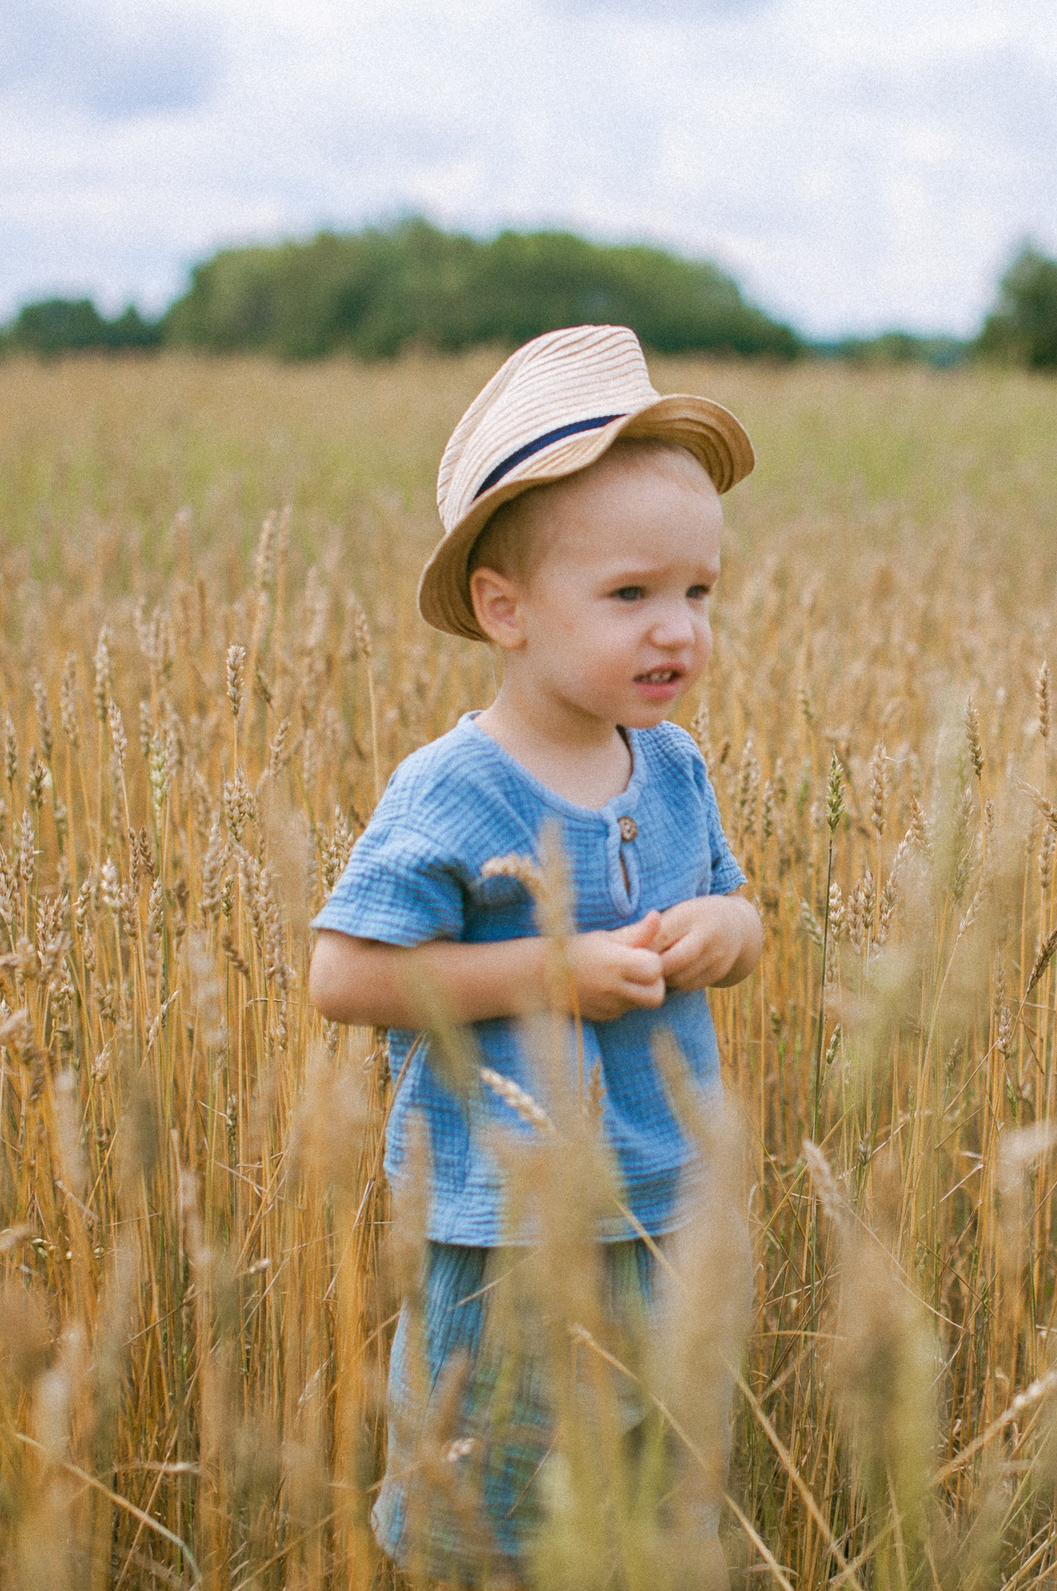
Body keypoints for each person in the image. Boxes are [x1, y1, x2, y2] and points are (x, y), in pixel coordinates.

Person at [307, 324, 765, 1582]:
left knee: (645, 1484)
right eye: (631, 596)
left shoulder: (668, 764)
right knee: (488, 1505)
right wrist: (545, 975)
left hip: (664, 1203)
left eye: (698, 593)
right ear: (502, 609)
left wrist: (725, 934)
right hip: (500, 1226)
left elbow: (738, 907)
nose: (676, 630)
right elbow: (345, 975)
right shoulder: (455, 789)